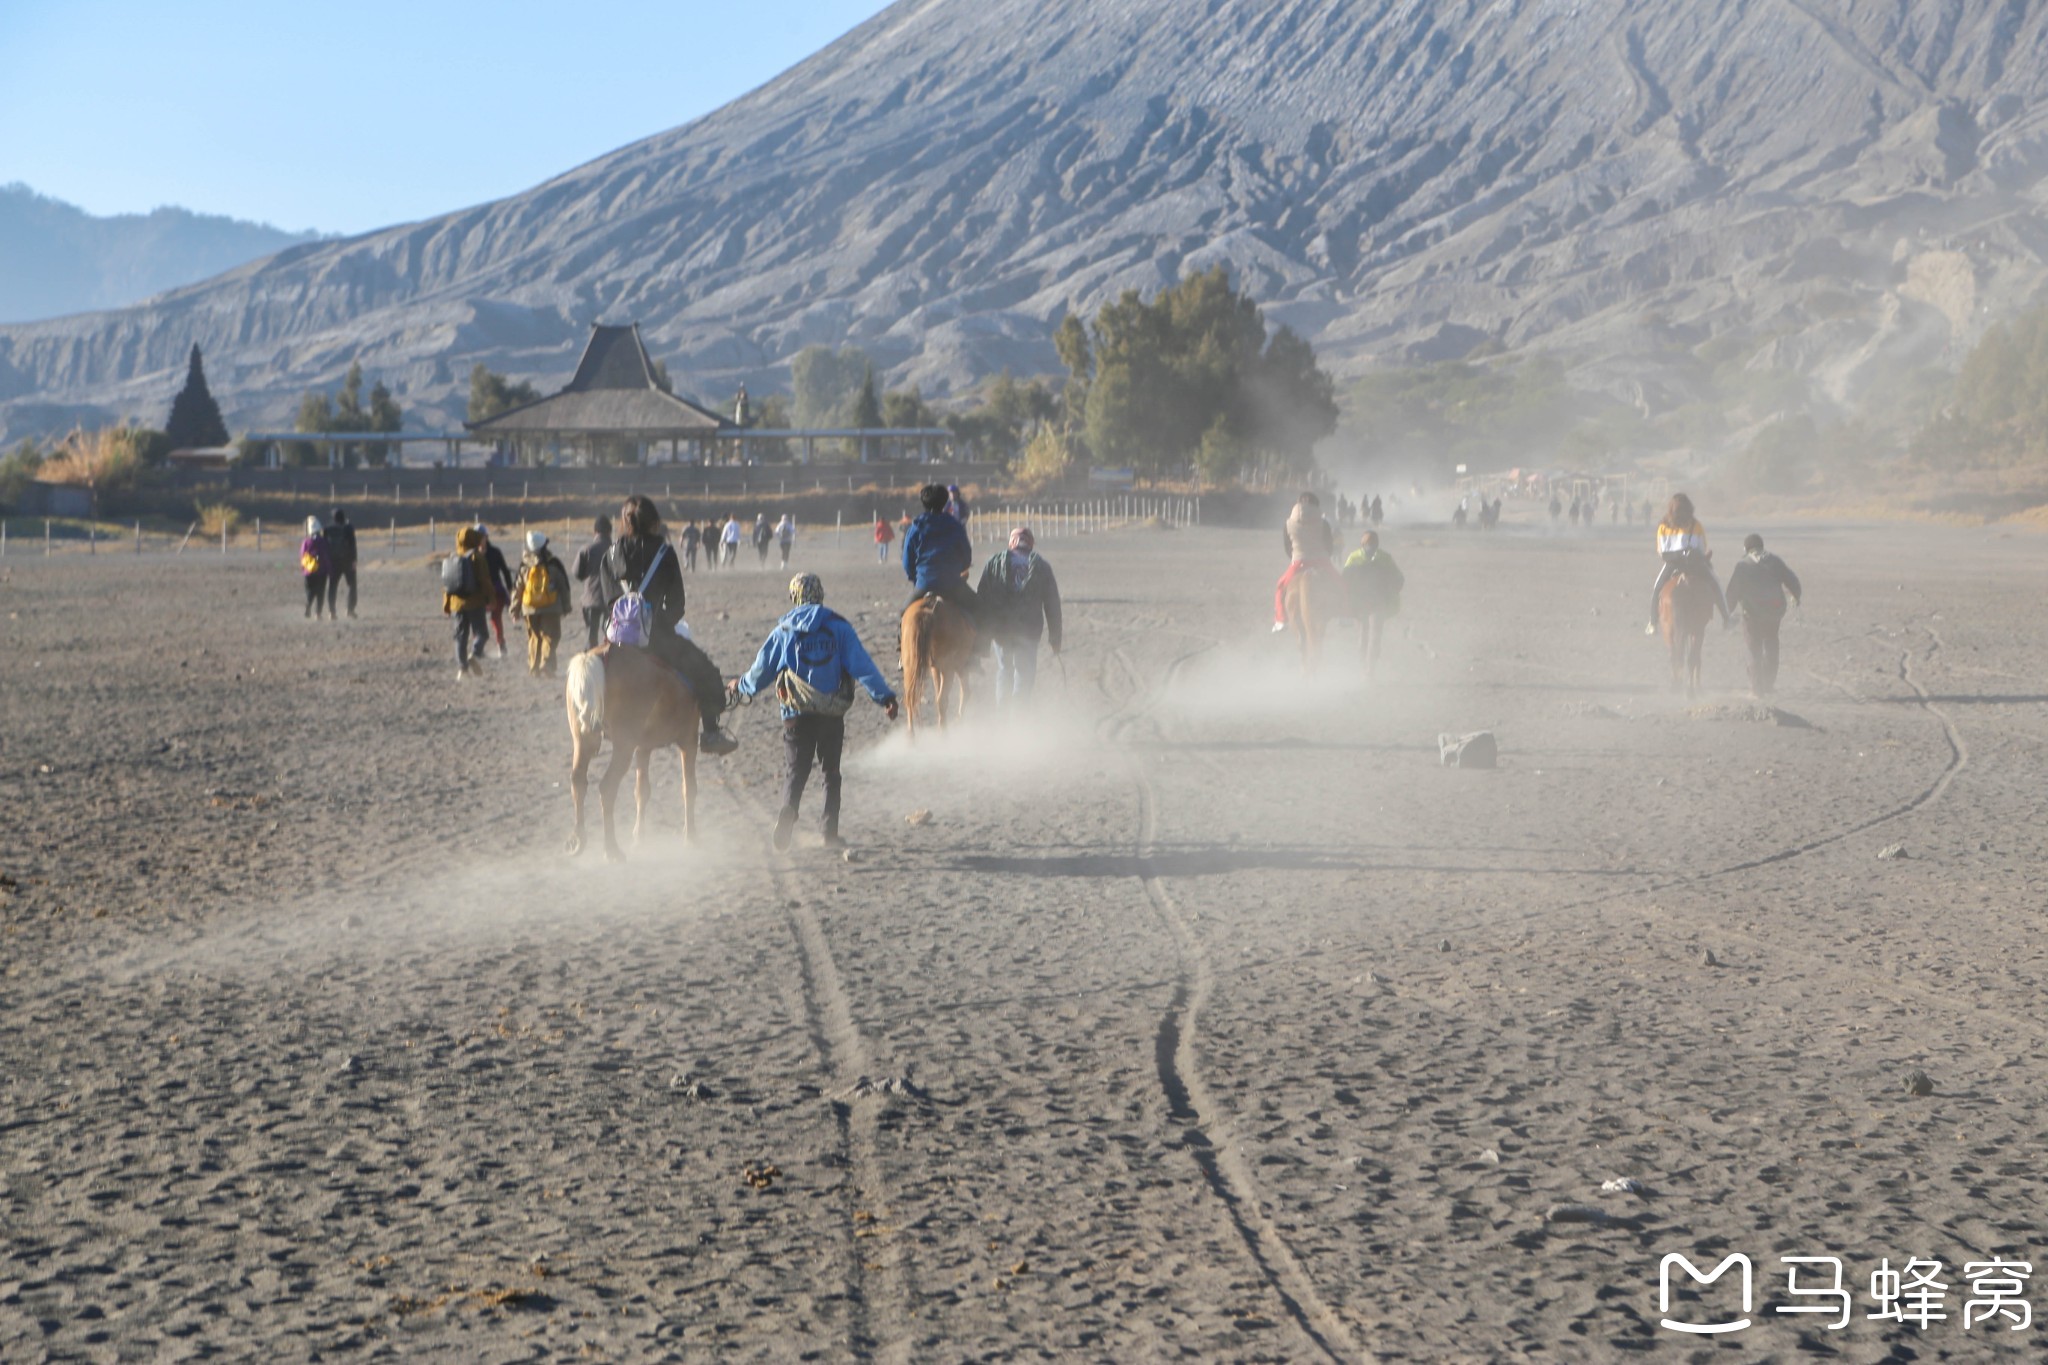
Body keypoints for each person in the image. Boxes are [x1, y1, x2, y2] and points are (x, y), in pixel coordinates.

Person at [729, 573, 899, 851]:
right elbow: (862, 666)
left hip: (795, 712)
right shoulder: (838, 627)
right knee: (831, 772)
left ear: (794, 597)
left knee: (796, 769)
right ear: (820, 595)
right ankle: (829, 833)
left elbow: (761, 672)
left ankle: (788, 810)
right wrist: (885, 698)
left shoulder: (783, 630)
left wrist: (740, 686)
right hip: (831, 712)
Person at [598, 494, 739, 755]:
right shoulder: (664, 553)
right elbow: (677, 604)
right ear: (654, 522)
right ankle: (710, 733)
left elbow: (608, 602)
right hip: (656, 637)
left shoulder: (610, 554)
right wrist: (659, 623)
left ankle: (594, 724)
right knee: (706, 671)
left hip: (616, 637)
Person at [974, 527, 1063, 705]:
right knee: (1024, 672)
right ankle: (1018, 717)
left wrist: (982, 636)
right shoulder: (1042, 566)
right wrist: (1055, 638)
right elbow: (1052, 604)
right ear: (1030, 544)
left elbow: (982, 597)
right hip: (1028, 630)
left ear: (1011, 542)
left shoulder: (993, 562)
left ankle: (1002, 715)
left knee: (1004, 670)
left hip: (1001, 630)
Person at [1724, 533, 1803, 696]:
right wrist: (1796, 596)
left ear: (1746, 548)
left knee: (1754, 648)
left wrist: (1727, 614)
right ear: (1762, 546)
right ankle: (1768, 685)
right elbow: (1793, 581)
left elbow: (1732, 592)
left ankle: (1756, 688)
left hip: (1751, 614)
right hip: (1774, 612)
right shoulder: (1775, 560)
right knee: (1771, 644)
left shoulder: (1743, 565)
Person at [1646, 492, 1729, 635]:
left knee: (1657, 589)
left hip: (1672, 563)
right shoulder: (1696, 525)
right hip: (1694, 563)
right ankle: (1727, 618)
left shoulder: (1663, 526)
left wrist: (1676, 556)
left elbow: (1661, 551)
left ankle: (1653, 622)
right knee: (1715, 583)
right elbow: (1702, 548)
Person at [902, 482, 981, 626]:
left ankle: (901, 644)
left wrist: (916, 578)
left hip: (924, 583)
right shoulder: (955, 526)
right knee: (978, 609)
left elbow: (907, 561)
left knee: (903, 614)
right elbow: (966, 556)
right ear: (945, 502)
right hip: (952, 583)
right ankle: (978, 647)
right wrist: (958, 569)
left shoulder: (915, 527)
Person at [1342, 530, 1405, 674]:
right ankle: (1370, 669)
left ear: (1362, 544)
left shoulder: (1354, 557)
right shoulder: (1385, 558)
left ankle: (1364, 665)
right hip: (1379, 602)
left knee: (1364, 634)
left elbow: (1344, 580)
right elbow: (1399, 580)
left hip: (1360, 603)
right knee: (1374, 635)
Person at [511, 530, 572, 678]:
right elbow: (563, 586)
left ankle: (534, 667)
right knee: (551, 636)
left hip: (529, 608)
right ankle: (546, 665)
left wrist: (515, 610)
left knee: (534, 637)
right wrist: (566, 607)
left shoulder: (524, 566)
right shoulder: (554, 564)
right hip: (551, 607)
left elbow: (518, 588)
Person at [1272, 491, 1336, 632]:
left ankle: (1281, 620)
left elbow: (1288, 547)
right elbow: (1329, 546)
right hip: (1322, 561)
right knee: (1339, 583)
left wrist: (1297, 556)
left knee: (1280, 588)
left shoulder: (1288, 523)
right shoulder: (1324, 523)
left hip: (1299, 562)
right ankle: (1345, 615)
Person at [442, 524, 493, 678]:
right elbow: (485, 581)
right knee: (482, 634)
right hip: (475, 603)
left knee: (460, 637)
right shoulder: (477, 557)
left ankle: (462, 669)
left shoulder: (452, 557)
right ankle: (475, 654)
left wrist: (446, 605)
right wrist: (491, 599)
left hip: (456, 604)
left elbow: (447, 584)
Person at [572, 515, 612, 651]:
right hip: (611, 599)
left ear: (595, 531)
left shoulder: (587, 549)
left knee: (591, 635)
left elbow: (577, 573)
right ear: (609, 532)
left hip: (591, 599)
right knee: (610, 635)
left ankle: (589, 662)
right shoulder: (616, 549)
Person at [476, 525, 514, 659]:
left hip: (496, 590)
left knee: (495, 619)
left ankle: (501, 644)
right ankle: (478, 648)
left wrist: (510, 588)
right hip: (479, 593)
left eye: (481, 537)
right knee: (477, 620)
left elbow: (505, 570)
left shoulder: (495, 552)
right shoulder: (472, 555)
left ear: (486, 537)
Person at [324, 508, 358, 619]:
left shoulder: (327, 528)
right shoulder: (349, 528)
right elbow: (353, 545)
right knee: (352, 585)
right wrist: (354, 560)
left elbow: (325, 546)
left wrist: (326, 561)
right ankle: (350, 610)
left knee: (332, 586)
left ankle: (332, 612)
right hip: (348, 561)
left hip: (333, 562)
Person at [299, 516, 330, 620]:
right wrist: (329, 569)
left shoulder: (306, 542)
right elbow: (326, 556)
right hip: (321, 571)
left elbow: (302, 556)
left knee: (310, 591)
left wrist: (303, 569)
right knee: (320, 592)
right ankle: (318, 614)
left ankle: (308, 604)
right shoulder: (323, 541)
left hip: (309, 571)